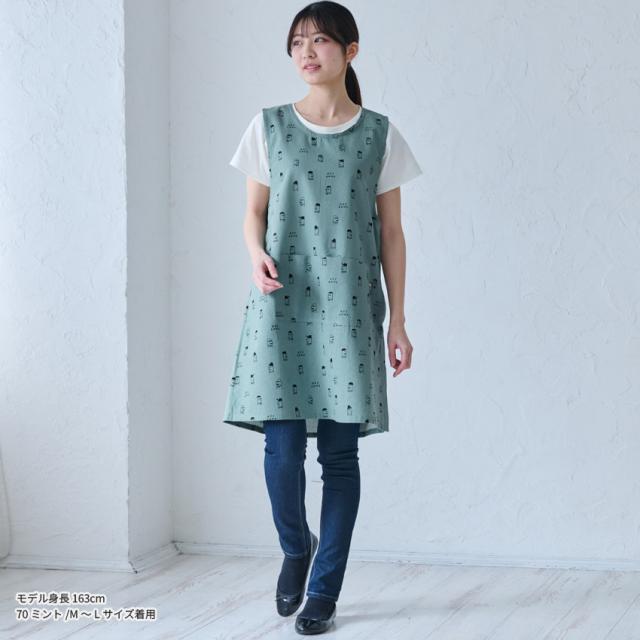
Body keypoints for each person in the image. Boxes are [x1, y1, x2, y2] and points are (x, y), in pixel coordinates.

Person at [223, 1, 422, 634]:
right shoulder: (268, 126)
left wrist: (398, 320)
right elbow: (254, 212)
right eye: (297, 43)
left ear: (350, 51)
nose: (306, 53)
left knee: (339, 458)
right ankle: (295, 548)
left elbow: (392, 233)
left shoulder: (380, 134)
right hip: (283, 303)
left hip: (350, 310)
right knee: (281, 453)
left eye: (320, 41)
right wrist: (254, 255)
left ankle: (325, 591)